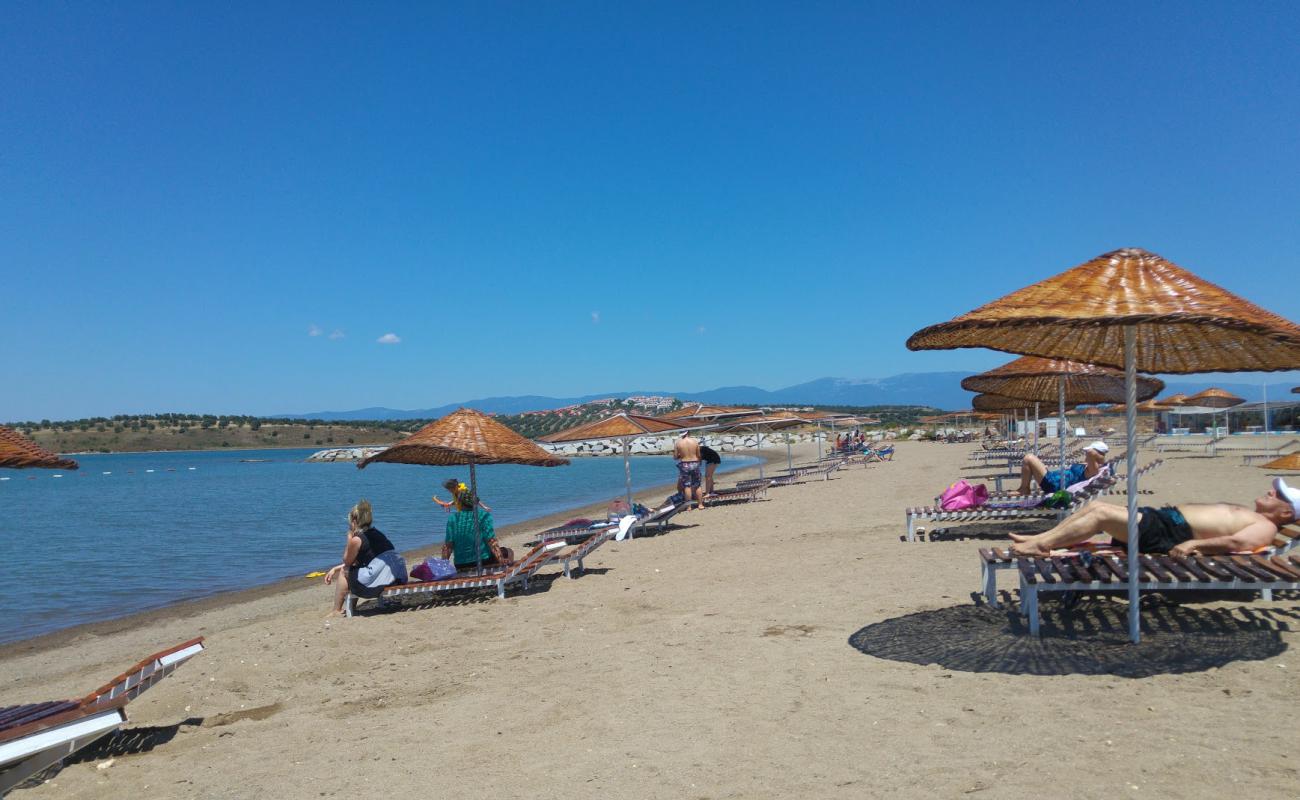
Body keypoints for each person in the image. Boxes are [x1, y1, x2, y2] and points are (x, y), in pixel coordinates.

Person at [1010, 477, 1300, 557]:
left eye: (1277, 495)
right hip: (1164, 522)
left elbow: (1238, 543)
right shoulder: (1256, 515)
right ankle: (1042, 539)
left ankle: (1041, 545)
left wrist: (1193, 546)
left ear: (1286, 513)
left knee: (1099, 512)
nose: (1270, 492)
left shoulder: (1263, 527)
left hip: (1169, 534)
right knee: (1094, 508)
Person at [325, 499, 408, 616]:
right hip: (398, 578)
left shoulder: (357, 539)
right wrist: (334, 569)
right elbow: (360, 562)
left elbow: (347, 561)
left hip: (382, 581)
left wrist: (349, 538)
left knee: (345, 572)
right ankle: (351, 608)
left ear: (354, 521)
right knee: (357, 570)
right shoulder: (378, 534)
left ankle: (336, 610)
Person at [442, 486, 512, 570]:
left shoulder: (453, 518)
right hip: (483, 561)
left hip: (460, 564)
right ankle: (505, 576)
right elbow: (491, 541)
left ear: (459, 503)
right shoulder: (483, 516)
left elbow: (448, 546)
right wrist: (501, 560)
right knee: (509, 551)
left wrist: (443, 566)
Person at [1014, 441, 1109, 496]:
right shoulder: (1090, 466)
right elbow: (1092, 455)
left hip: (1054, 485)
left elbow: (1092, 453)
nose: (1086, 453)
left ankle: (1024, 489)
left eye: (1087, 451)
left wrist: (1097, 453)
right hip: (1053, 479)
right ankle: (1024, 488)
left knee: (1028, 458)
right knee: (1032, 460)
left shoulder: (1094, 469)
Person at [674, 431, 704, 509]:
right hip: (695, 463)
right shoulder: (694, 441)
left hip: (685, 464)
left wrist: (681, 455)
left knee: (687, 486)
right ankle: (700, 504)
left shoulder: (678, 443)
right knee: (697, 485)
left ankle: (689, 506)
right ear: (688, 433)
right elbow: (699, 455)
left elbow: (675, 457)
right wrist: (699, 462)